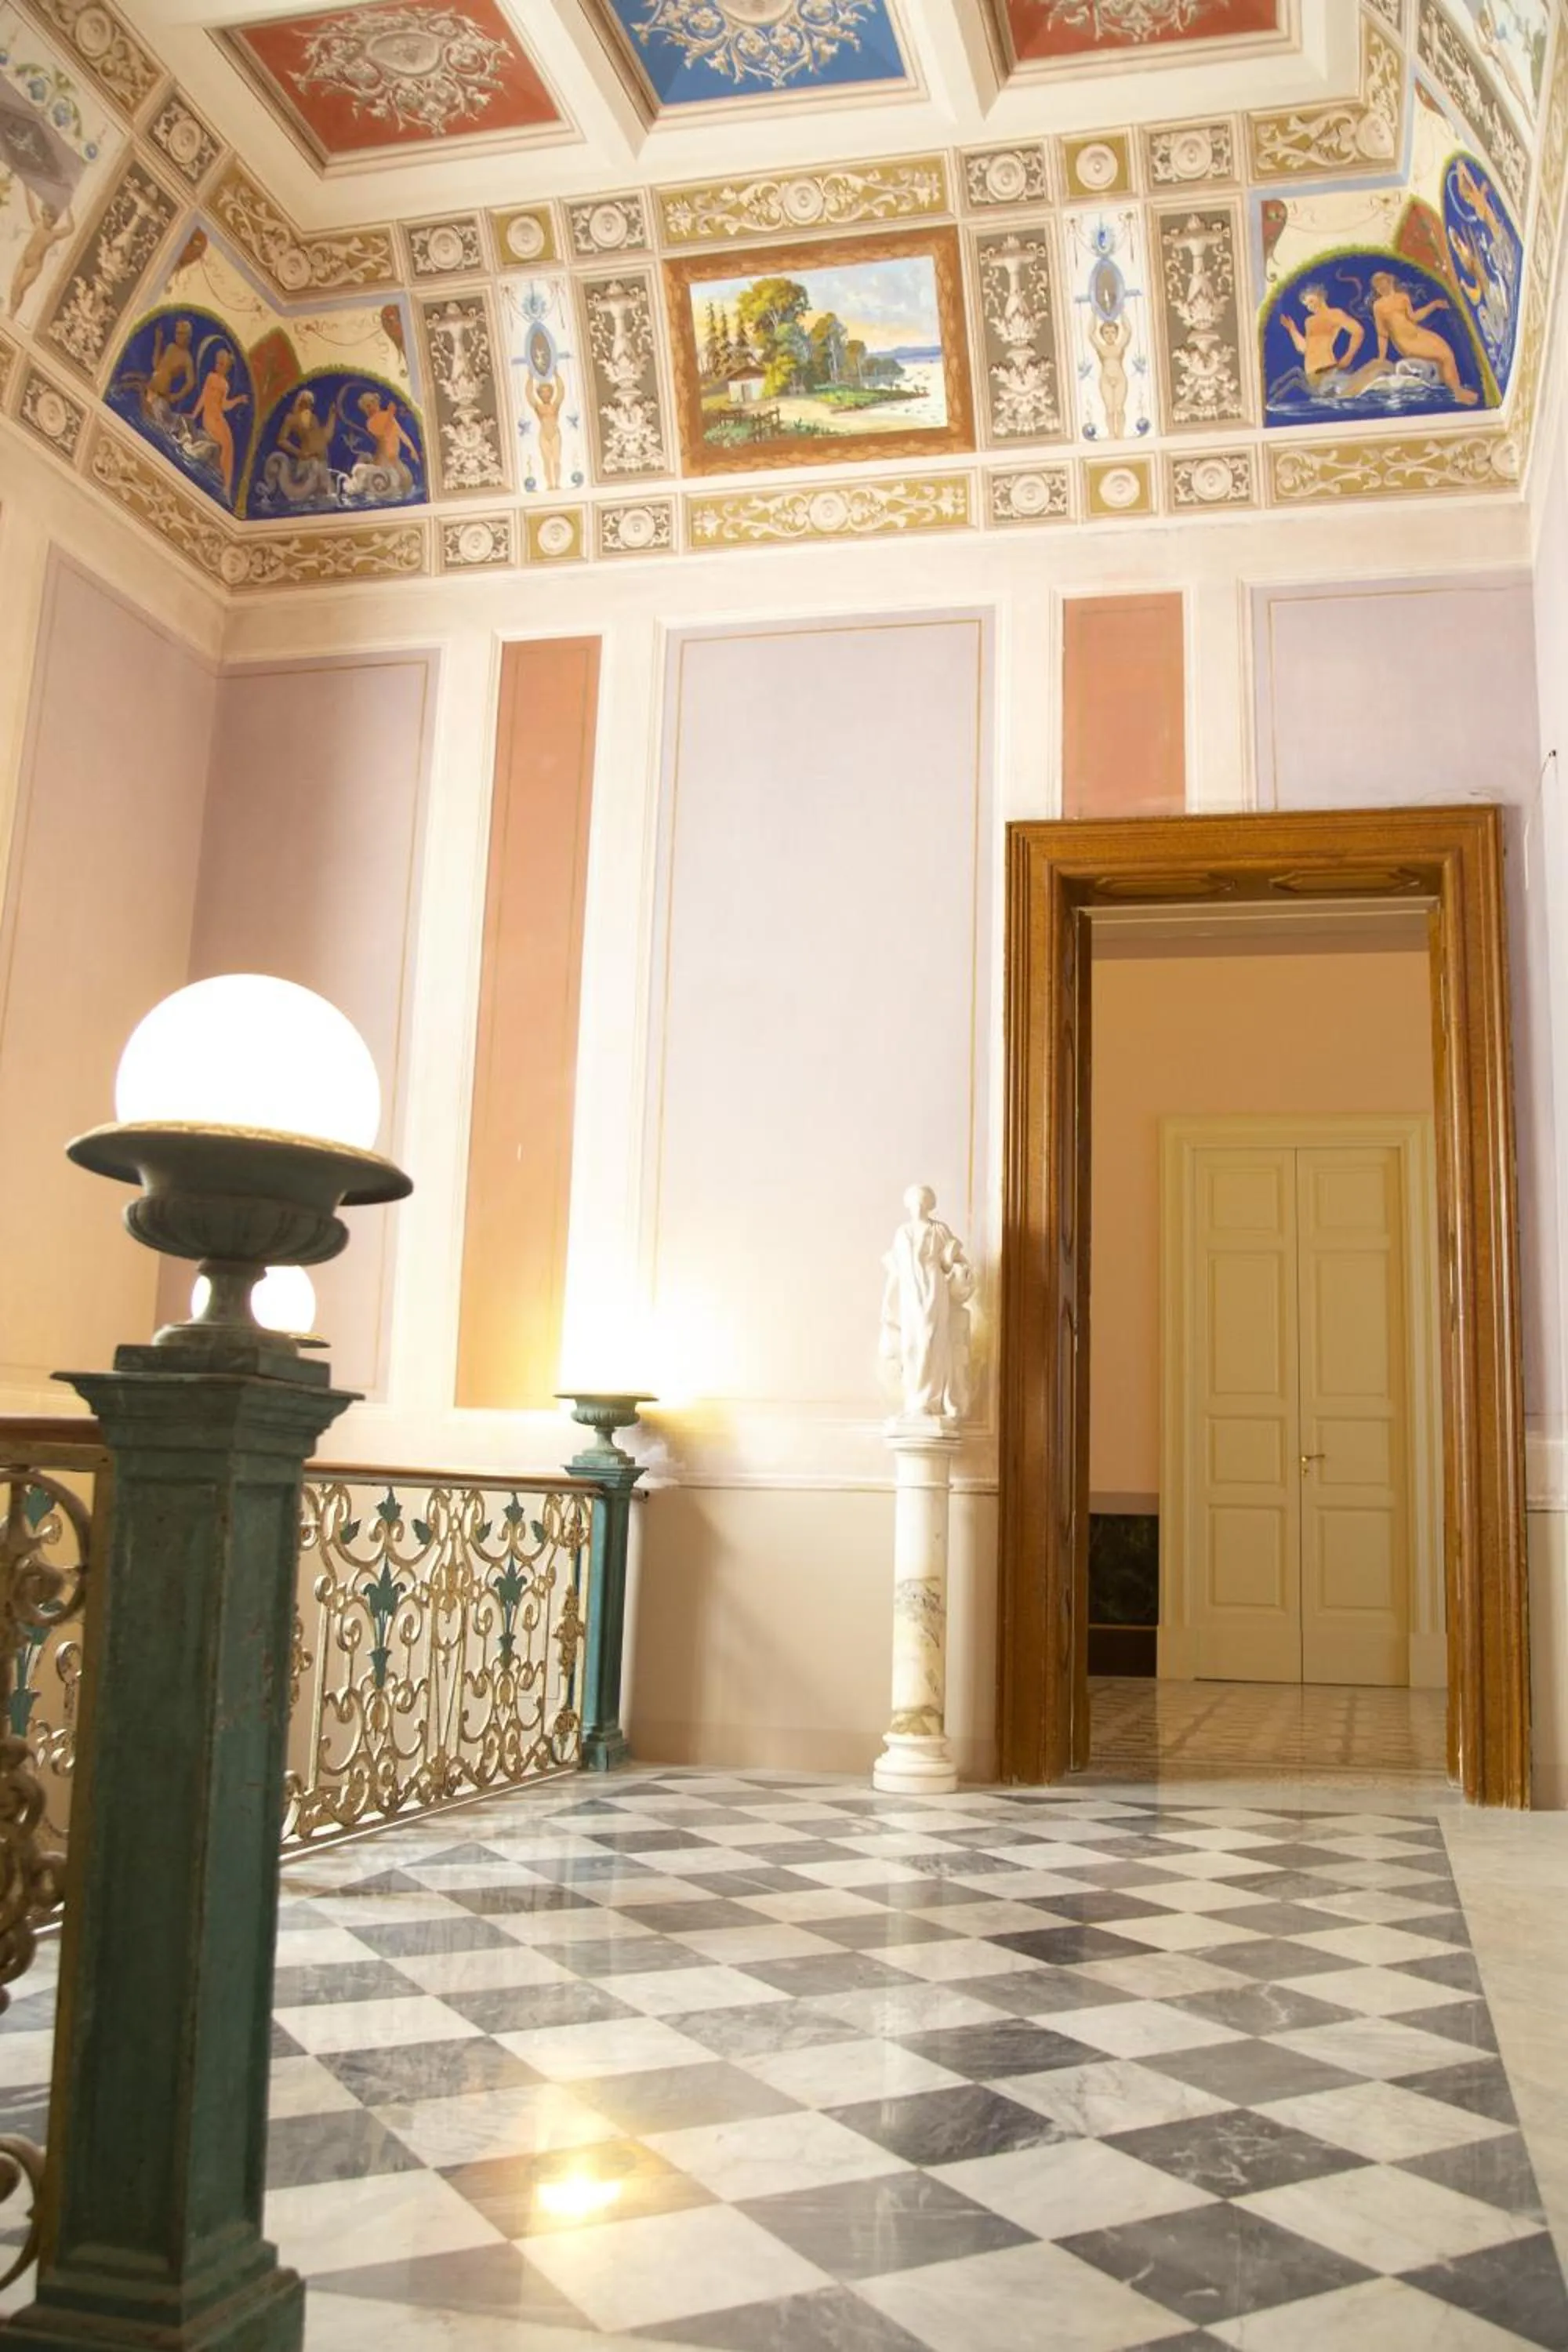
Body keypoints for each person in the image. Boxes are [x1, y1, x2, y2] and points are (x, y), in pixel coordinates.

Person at [880, 1186, 975, 1423]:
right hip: (910, 1291)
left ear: (929, 1204)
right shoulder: (903, 1232)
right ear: (909, 1205)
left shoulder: (939, 1230)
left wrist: (958, 1268)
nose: (919, 1206)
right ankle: (915, 1401)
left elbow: (956, 1260)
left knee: (931, 1338)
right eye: (915, 1202)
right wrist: (887, 1299)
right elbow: (898, 1269)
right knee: (912, 1342)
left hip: (934, 1286)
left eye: (923, 1201)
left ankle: (931, 1401)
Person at [1370, 270, 1479, 404]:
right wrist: (1381, 357)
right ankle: (1457, 391)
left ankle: (1455, 389)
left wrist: (1433, 305)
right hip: (1405, 342)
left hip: (1418, 333)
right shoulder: (1378, 306)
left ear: (1390, 282)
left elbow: (1414, 317)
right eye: (1378, 287)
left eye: (1382, 283)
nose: (1381, 288)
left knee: (1447, 352)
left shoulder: (1402, 297)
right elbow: (1382, 334)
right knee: (1442, 356)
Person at [188, 346, 248, 499]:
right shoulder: (211, 377)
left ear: (227, 367)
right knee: (226, 445)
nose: (218, 366)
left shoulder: (225, 385)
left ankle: (227, 486)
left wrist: (238, 400)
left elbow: (224, 405)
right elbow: (203, 397)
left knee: (230, 446)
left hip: (219, 418)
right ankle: (224, 482)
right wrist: (194, 415)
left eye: (222, 364)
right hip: (210, 418)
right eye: (217, 362)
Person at [8, 189, 72, 318]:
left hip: (34, 266)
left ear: (53, 220)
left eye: (48, 216)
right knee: (14, 286)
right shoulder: (38, 224)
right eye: (44, 214)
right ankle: (10, 310)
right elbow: (31, 207)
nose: (45, 218)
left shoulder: (53, 235)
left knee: (20, 289)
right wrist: (27, 189)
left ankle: (12, 314)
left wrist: (69, 209)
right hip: (24, 259)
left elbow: (70, 229)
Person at [1089, 312, 1131, 439]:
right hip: (1106, 379)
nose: (1110, 335)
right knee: (1110, 409)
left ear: (1116, 334)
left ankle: (1121, 433)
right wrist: (1094, 312)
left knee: (1119, 408)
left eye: (1113, 332)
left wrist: (1122, 311)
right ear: (1102, 335)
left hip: (1120, 379)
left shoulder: (1119, 346)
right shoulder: (1101, 348)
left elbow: (1128, 331)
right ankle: (1112, 433)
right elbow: (1091, 334)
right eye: (1106, 332)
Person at [524, 368, 564, 490]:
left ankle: (557, 483)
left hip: (555, 434)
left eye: (547, 392)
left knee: (556, 460)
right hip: (543, 435)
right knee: (547, 461)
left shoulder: (555, 406)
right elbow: (529, 395)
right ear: (540, 394)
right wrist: (530, 378)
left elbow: (561, 393)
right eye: (542, 392)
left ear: (551, 393)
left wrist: (557, 377)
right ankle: (549, 484)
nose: (545, 394)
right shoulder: (538, 407)